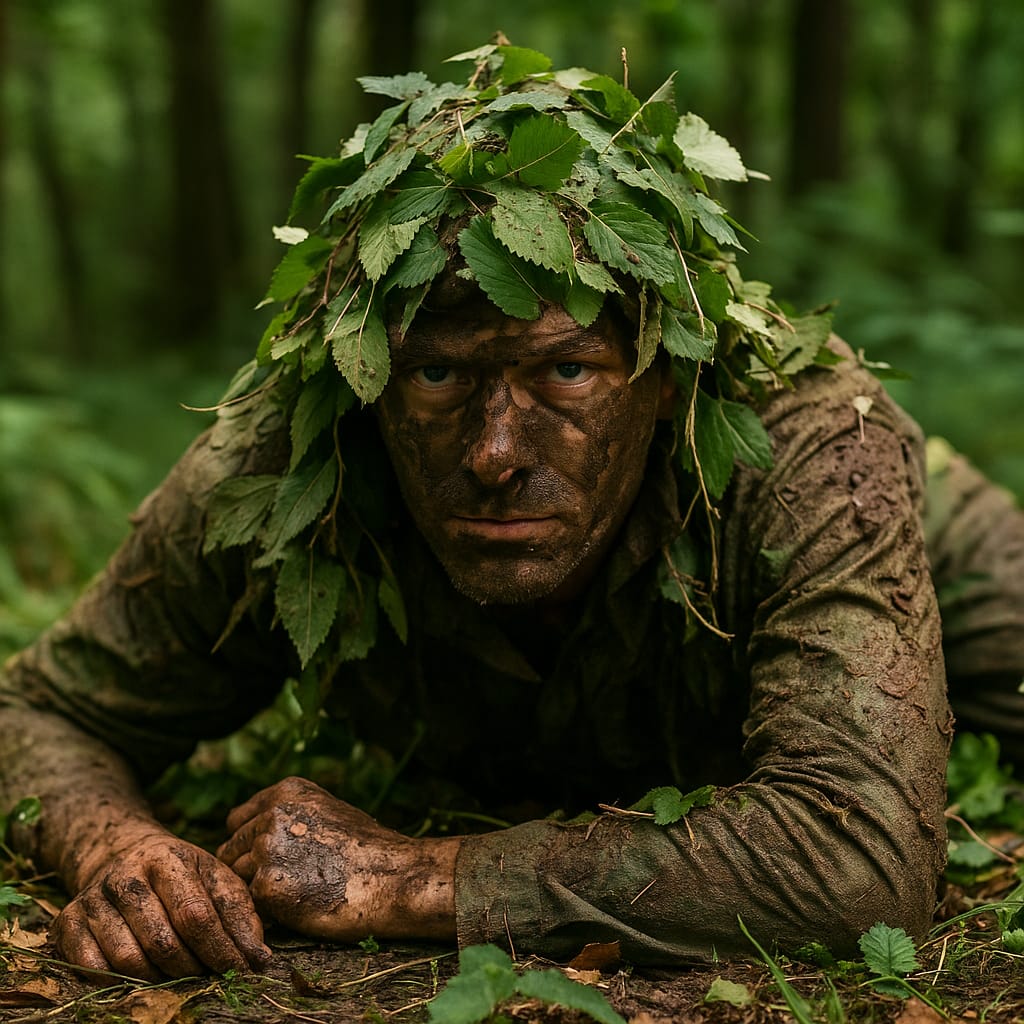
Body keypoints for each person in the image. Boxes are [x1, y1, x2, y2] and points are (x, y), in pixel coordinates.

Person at [2, 42, 1023, 982]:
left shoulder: (812, 443)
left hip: (940, 561)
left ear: (665, 377)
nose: (493, 453)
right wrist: (122, 851)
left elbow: (857, 858)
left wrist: (416, 875)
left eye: (567, 370)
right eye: (439, 374)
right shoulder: (285, 467)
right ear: (363, 382)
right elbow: (37, 712)